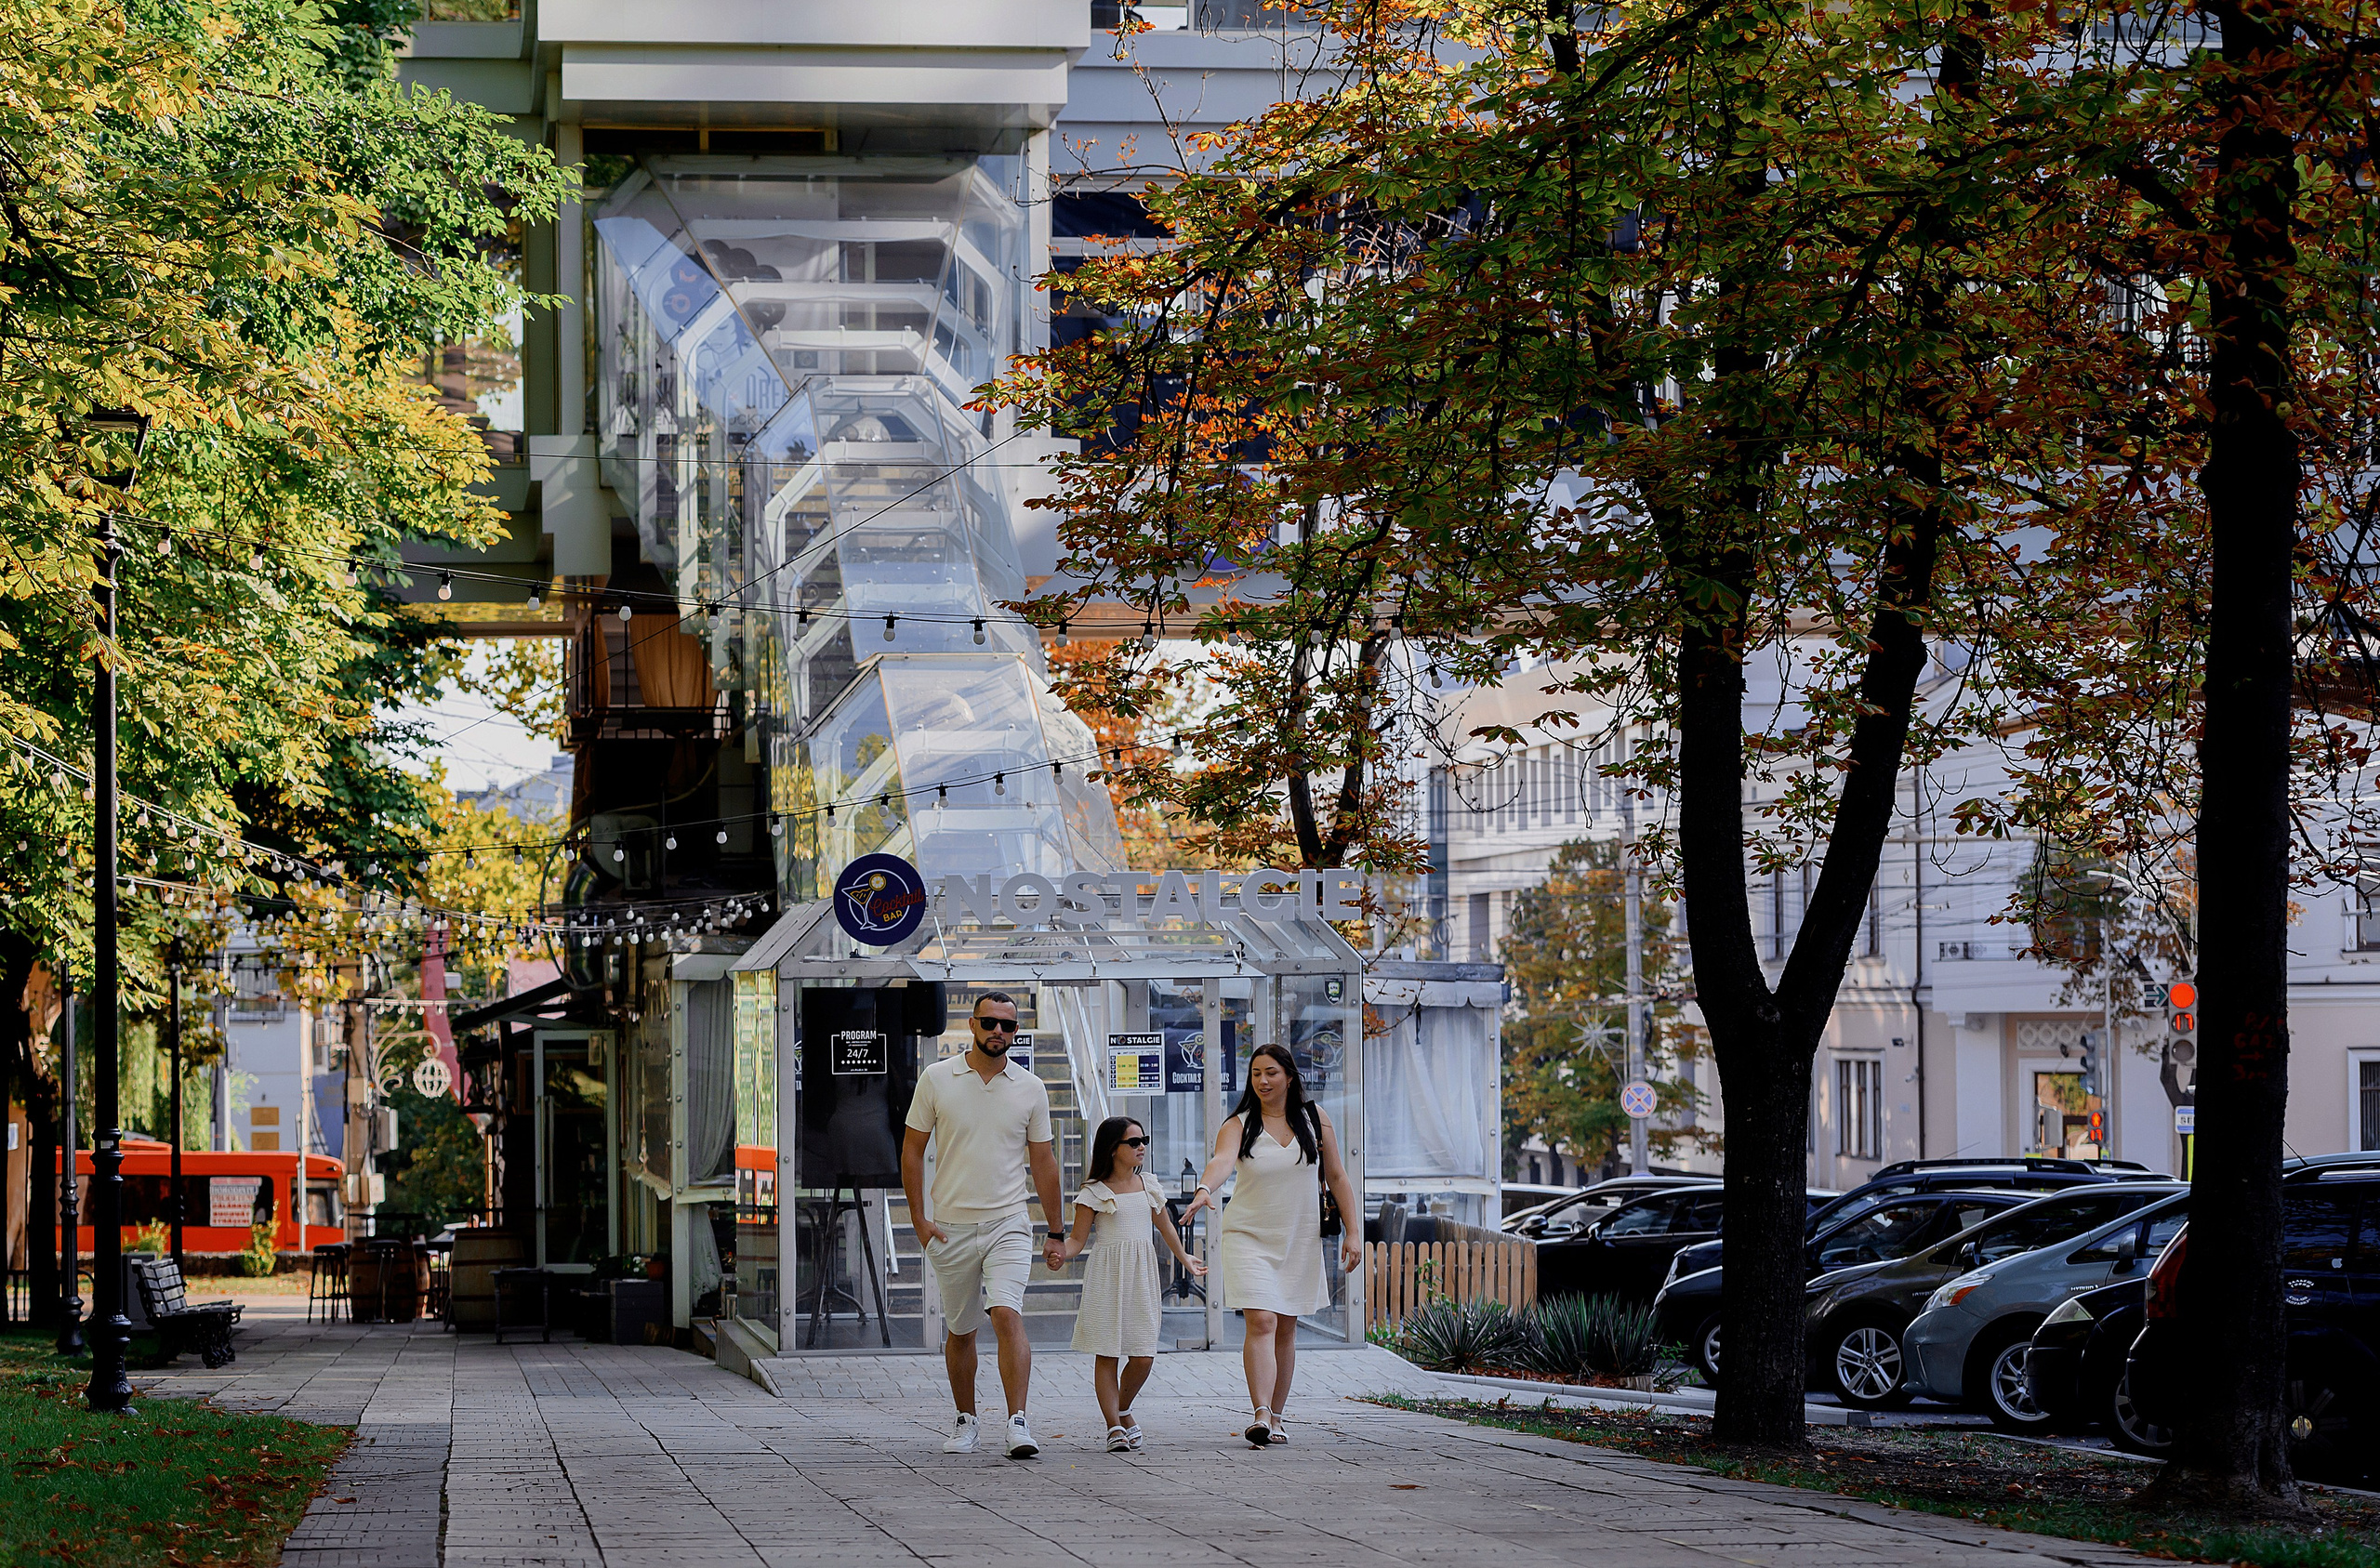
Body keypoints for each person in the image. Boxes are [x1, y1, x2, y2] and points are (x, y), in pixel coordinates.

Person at [901, 991, 1068, 1459]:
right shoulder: (937, 1078)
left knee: (1006, 1312)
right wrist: (918, 1218)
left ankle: (1018, 1421)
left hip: (1009, 1222)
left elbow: (1044, 1161)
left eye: (1009, 1026)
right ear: (972, 1025)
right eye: (990, 1023)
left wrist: (1056, 1231)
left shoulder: (1031, 1087)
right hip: (950, 1226)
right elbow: (912, 1151)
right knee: (961, 1331)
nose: (999, 1032)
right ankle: (966, 1420)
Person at [1180, 1042, 1361, 1448]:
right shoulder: (1240, 1124)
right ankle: (1260, 1412)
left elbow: (1338, 1177)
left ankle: (1277, 1417)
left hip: (1298, 1238)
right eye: (1256, 1073)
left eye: (1271, 1073)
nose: (1262, 1080)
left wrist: (1353, 1231)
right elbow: (1222, 1161)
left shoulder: (1316, 1121)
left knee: (1286, 1328)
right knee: (1262, 1320)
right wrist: (1205, 1188)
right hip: (1248, 1236)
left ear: (1290, 1077)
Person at [1060, 1115, 1207, 1452]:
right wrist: (1061, 1254)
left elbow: (1166, 1228)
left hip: (1142, 1275)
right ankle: (1113, 1426)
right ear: (1113, 1149)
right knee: (1108, 1353)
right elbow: (1077, 1240)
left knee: (1143, 1355)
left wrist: (1185, 1258)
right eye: (1134, 1142)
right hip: (1107, 1277)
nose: (1142, 1147)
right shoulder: (1094, 1192)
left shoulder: (1148, 1185)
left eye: (1145, 1141)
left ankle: (1123, 1408)